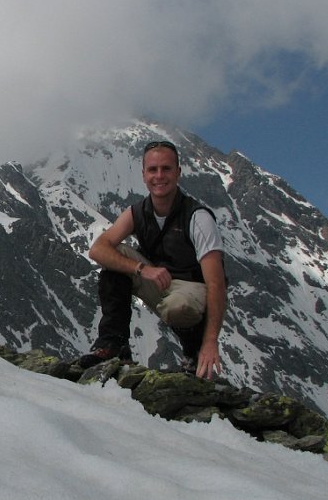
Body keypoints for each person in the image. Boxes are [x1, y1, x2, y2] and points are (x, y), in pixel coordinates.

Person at [81, 140, 227, 379]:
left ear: (178, 173)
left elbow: (217, 285)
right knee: (113, 261)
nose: (159, 176)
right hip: (158, 280)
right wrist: (140, 268)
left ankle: (194, 352)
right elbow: (98, 250)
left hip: (194, 289)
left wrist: (211, 342)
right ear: (143, 175)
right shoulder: (138, 212)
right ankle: (113, 344)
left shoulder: (198, 218)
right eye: (153, 169)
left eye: (166, 169)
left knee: (177, 307)